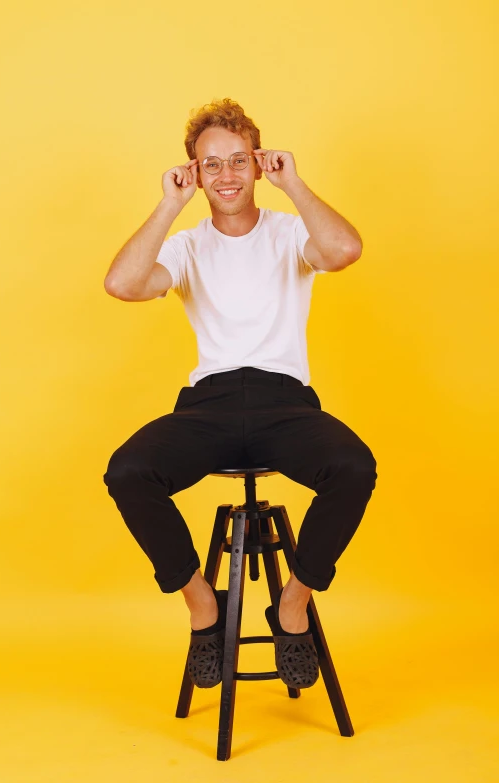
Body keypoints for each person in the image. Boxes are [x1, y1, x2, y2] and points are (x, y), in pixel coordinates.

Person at [103, 97, 378, 690]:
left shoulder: (291, 233)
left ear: (257, 165)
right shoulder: (185, 245)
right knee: (127, 471)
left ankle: (293, 604)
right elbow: (121, 284)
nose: (225, 176)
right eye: (210, 166)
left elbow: (345, 250)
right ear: (194, 174)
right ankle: (203, 607)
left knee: (354, 466)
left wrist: (295, 185)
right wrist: (168, 204)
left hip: (285, 402)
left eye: (237, 162)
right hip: (211, 403)